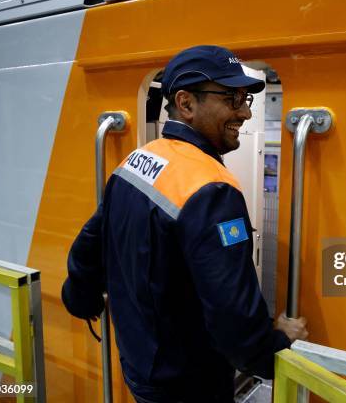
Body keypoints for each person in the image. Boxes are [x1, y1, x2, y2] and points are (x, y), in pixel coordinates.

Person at [61, 45, 308, 403]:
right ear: (186, 104)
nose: (243, 112)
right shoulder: (211, 190)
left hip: (139, 362)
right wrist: (276, 347)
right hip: (187, 384)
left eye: (245, 99)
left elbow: (88, 247)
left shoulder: (137, 160)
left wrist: (79, 298)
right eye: (231, 98)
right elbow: (232, 317)